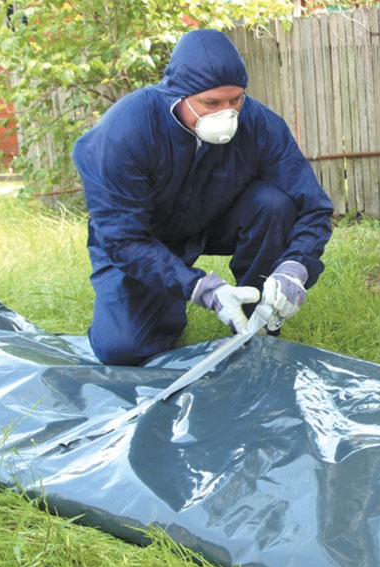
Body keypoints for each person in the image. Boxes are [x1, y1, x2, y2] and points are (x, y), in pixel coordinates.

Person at [72, 28, 333, 366]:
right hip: (143, 239)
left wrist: (296, 266)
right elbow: (122, 239)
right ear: (177, 95)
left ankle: (259, 316)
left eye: (236, 99)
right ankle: (174, 303)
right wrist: (200, 288)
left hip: (210, 220)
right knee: (122, 349)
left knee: (273, 202)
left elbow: (312, 207)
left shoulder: (260, 124)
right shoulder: (125, 131)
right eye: (212, 103)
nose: (227, 114)